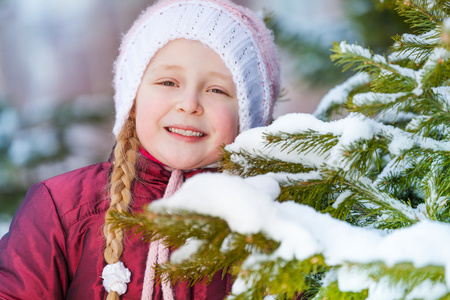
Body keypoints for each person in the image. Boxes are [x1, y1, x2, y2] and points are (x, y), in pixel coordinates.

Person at [0, 0, 281, 299]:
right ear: (133, 99)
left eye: (217, 90)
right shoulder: (62, 208)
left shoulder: (274, 221)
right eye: (168, 82)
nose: (189, 103)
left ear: (247, 116)